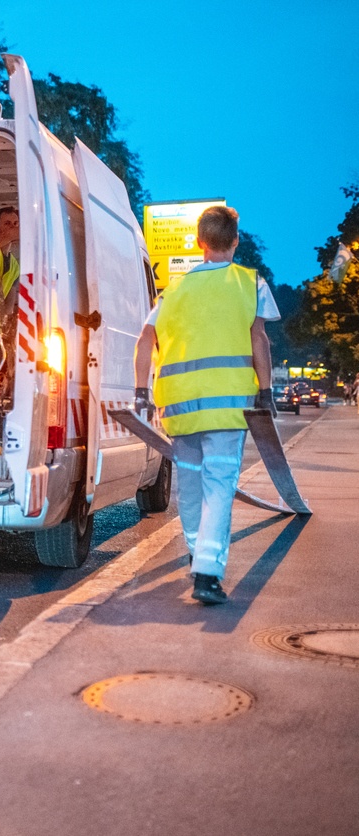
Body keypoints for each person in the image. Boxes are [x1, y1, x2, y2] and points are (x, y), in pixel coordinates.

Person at [134, 205, 279, 605]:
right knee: (219, 487)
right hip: (227, 407)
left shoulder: (174, 290)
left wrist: (141, 391)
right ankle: (207, 574)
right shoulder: (249, 283)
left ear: (199, 243)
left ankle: (198, 555)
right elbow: (259, 339)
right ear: (235, 241)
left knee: (192, 486)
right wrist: (266, 391)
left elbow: (145, 340)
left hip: (178, 406)